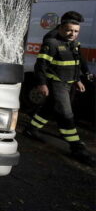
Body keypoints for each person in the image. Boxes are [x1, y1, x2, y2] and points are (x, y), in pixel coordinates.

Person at [25, 19, 95, 166]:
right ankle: (77, 148)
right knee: (66, 115)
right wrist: (42, 84)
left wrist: (78, 80)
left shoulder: (74, 45)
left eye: (76, 31)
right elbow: (40, 66)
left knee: (49, 108)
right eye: (69, 30)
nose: (72, 34)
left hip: (69, 84)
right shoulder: (51, 43)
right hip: (57, 83)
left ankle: (31, 129)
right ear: (61, 29)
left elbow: (74, 66)